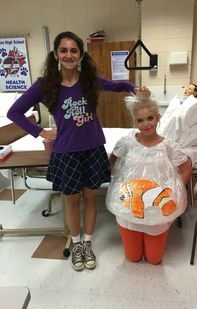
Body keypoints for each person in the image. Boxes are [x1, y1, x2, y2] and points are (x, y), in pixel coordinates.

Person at [7, 31, 150, 271]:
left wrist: (134, 87)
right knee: (71, 201)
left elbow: (118, 86)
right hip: (66, 152)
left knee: (91, 198)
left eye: (74, 50)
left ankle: (88, 243)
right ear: (56, 54)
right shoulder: (45, 85)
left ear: (81, 54)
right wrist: (40, 132)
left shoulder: (89, 79)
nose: (69, 55)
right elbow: (15, 112)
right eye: (63, 50)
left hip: (92, 148)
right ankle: (76, 244)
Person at [106, 94, 192, 265]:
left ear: (158, 118)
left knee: (154, 259)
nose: (146, 124)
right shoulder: (127, 142)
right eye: (140, 120)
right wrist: (117, 184)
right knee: (133, 257)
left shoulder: (169, 146)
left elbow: (186, 168)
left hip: (156, 209)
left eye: (150, 118)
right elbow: (112, 164)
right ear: (135, 123)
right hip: (129, 205)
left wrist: (176, 190)